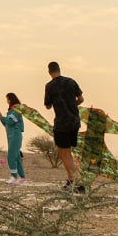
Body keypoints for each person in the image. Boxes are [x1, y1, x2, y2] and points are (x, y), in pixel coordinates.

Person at [44, 61, 85, 192]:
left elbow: (48, 105)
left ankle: (78, 183)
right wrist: (71, 105)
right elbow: (81, 99)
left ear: (49, 72)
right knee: (68, 152)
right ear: (59, 69)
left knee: (63, 154)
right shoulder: (71, 81)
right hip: (74, 121)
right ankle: (70, 181)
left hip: (62, 123)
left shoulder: (50, 86)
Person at [0, 92, 26, 184]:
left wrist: (2, 117)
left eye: (7, 99)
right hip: (11, 135)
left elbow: (10, 122)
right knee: (16, 157)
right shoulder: (11, 111)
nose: (7, 101)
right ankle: (22, 177)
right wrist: (0, 118)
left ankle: (14, 177)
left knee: (11, 156)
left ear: (10, 99)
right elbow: (6, 123)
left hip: (15, 135)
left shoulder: (15, 110)